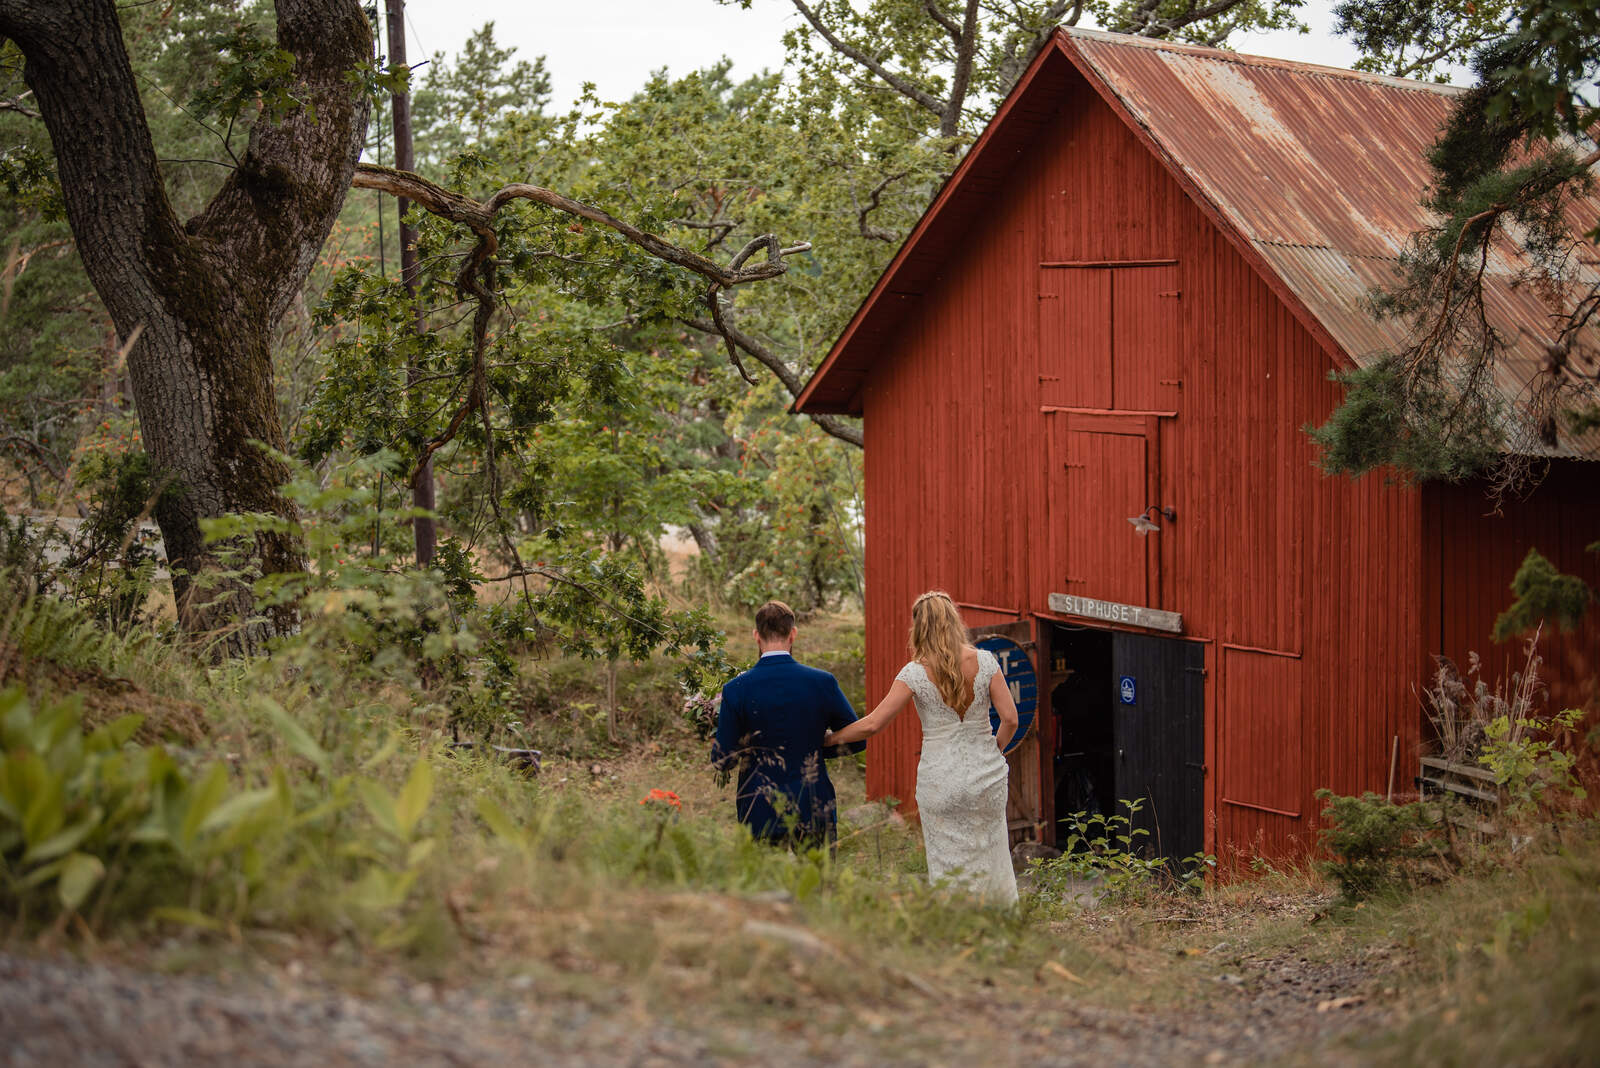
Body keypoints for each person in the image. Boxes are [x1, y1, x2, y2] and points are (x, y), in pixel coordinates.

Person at [824, 590, 1019, 904]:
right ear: (954, 621)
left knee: (948, 863)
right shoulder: (984, 661)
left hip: (941, 781)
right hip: (987, 778)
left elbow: (874, 723)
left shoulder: (914, 672)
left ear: (919, 628)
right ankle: (999, 923)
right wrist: (994, 749)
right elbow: (1010, 719)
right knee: (993, 855)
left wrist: (830, 738)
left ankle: (957, 928)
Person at [712, 600, 865, 849]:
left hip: (759, 812)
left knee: (766, 888)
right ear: (793, 634)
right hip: (813, 807)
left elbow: (723, 760)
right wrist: (816, 745)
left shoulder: (735, 689)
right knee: (817, 886)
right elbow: (857, 739)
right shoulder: (822, 682)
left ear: (756, 636)